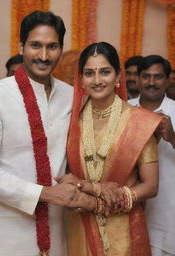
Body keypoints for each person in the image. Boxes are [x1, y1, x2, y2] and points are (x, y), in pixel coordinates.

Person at [0, 11, 92, 256]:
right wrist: (45, 194)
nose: (44, 56)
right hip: (5, 230)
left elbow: (76, 151)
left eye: (52, 47)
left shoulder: (71, 96)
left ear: (61, 48)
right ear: (21, 46)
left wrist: (74, 180)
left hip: (56, 228)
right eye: (36, 45)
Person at [61, 42, 162, 256]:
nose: (97, 80)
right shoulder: (71, 121)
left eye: (105, 72)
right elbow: (67, 174)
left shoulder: (141, 122)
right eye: (89, 73)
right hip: (80, 225)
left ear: (118, 77)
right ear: (81, 79)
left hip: (124, 228)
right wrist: (83, 192)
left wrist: (103, 202)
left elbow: (151, 186)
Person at [129, 55, 175, 256]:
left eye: (158, 77)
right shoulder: (123, 109)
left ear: (168, 80)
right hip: (126, 209)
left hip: (166, 214)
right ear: (137, 79)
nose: (151, 82)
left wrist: (172, 137)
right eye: (146, 76)